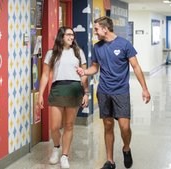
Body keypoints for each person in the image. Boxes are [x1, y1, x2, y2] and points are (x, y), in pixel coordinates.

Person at [76, 16, 151, 169]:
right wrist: (84, 71)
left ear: (105, 28)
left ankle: (126, 147)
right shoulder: (97, 47)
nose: (95, 32)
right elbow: (95, 68)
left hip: (121, 92)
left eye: (96, 29)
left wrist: (144, 88)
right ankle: (110, 161)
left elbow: (136, 67)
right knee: (108, 125)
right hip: (104, 91)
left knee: (125, 127)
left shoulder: (124, 44)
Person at [37, 26, 89, 169]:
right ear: (61, 36)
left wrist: (86, 93)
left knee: (69, 125)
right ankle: (56, 147)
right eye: (68, 35)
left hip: (74, 89)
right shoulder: (51, 53)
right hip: (58, 89)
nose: (71, 37)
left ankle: (64, 156)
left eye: (72, 35)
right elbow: (45, 75)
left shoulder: (79, 52)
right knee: (54, 126)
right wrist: (40, 94)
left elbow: (84, 74)